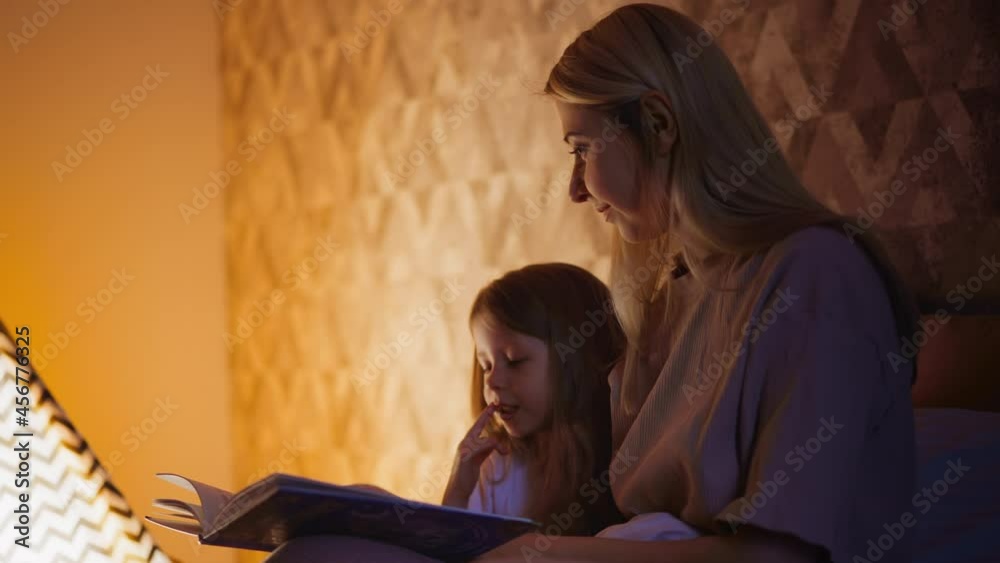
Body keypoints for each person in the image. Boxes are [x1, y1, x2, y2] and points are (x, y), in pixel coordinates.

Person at [477, 3, 920, 563]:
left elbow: (776, 557)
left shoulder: (817, 276)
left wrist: (536, 556)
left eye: (582, 150)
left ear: (660, 125)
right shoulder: (667, 300)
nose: (575, 190)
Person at [441, 263, 625, 537]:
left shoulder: (626, 460)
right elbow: (450, 549)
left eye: (514, 361)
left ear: (576, 359)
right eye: (486, 365)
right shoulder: (498, 470)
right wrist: (458, 489)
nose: (492, 381)